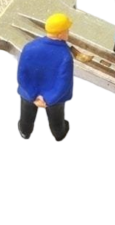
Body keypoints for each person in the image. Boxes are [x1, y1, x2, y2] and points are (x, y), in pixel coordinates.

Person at [14, 13, 77, 145]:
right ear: (60, 34)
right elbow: (63, 83)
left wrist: (33, 96)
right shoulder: (65, 55)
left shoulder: (29, 47)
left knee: (26, 117)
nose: (68, 33)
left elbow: (23, 74)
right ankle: (59, 135)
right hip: (55, 98)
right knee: (57, 120)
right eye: (67, 31)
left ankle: (25, 133)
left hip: (28, 94)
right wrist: (47, 99)